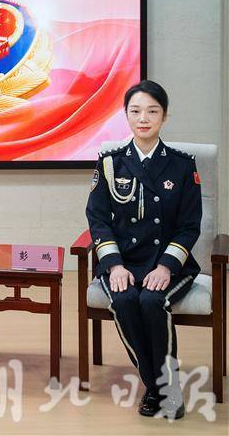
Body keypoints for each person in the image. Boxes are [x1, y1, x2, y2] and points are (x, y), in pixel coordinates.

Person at [87, 80, 202, 420]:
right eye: (135, 111)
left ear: (165, 116)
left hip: (168, 263)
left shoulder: (182, 165)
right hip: (124, 261)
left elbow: (189, 226)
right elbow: (97, 219)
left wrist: (165, 266)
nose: (143, 118)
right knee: (123, 300)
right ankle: (158, 387)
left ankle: (164, 388)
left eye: (152, 111)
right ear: (126, 115)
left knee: (152, 301)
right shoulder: (111, 163)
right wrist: (114, 265)